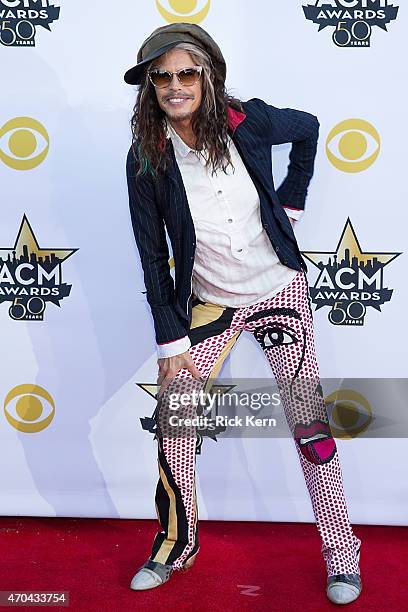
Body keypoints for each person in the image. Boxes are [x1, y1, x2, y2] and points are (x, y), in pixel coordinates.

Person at [124, 22, 362, 605]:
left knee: (311, 429)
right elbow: (154, 257)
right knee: (176, 425)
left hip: (280, 292)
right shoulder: (146, 159)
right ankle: (176, 544)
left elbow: (308, 131)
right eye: (162, 77)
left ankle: (343, 555)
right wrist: (170, 345)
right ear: (149, 86)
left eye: (186, 73)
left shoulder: (247, 121)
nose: (175, 86)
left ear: (208, 75)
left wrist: (294, 201)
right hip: (210, 303)